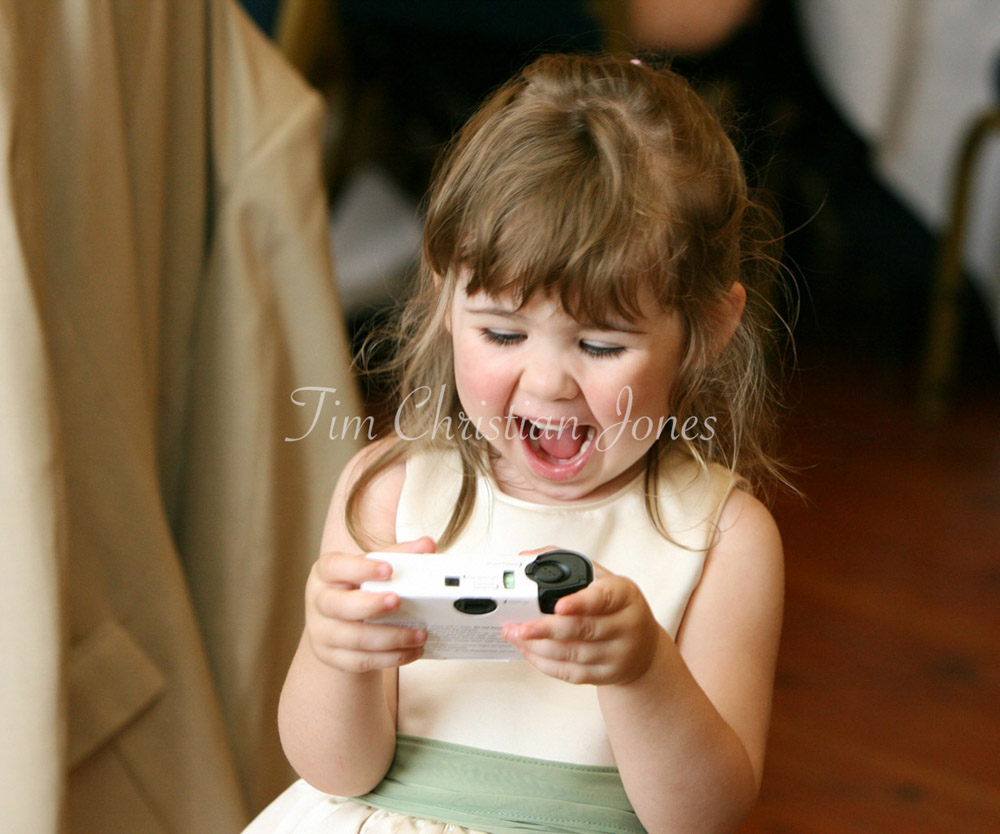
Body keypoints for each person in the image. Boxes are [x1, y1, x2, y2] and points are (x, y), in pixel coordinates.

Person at [245, 52, 787, 833]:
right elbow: (336, 770)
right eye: (502, 332)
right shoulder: (391, 489)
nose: (547, 384)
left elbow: (704, 818)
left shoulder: (723, 539)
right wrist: (337, 654)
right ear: (442, 296)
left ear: (706, 329)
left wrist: (644, 674)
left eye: (599, 347)